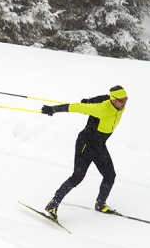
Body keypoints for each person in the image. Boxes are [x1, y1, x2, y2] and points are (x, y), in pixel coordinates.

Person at [41, 86, 128, 218]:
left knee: (110, 175)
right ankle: (53, 204)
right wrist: (54, 109)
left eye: (126, 99)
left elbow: (103, 97)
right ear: (114, 100)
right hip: (85, 144)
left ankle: (100, 204)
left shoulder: (117, 104)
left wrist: (89, 100)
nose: (124, 103)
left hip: (99, 145)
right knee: (77, 177)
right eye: (121, 100)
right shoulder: (100, 109)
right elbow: (75, 107)